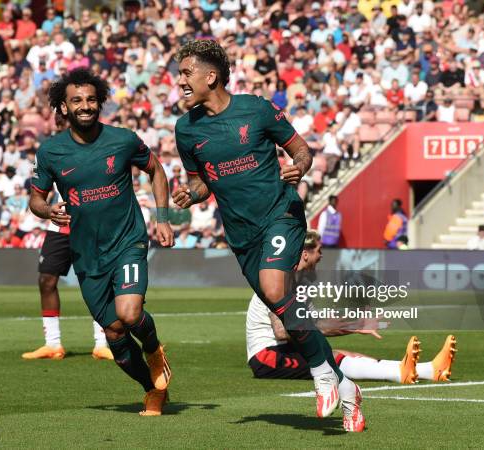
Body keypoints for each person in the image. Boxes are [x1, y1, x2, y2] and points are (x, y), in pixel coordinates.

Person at [172, 40, 364, 432]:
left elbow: (302, 151)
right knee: (286, 312)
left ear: (212, 76)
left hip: (281, 215)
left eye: (186, 73)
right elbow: (201, 184)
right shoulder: (186, 130)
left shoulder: (256, 109)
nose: (180, 82)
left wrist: (299, 168)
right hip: (241, 237)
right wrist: (187, 195)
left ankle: (322, 376)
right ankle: (346, 388)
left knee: (275, 288)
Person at [29, 68, 174, 416]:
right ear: (63, 108)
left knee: (129, 312)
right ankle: (151, 390)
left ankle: (154, 351)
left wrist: (164, 218)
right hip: (86, 253)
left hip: (128, 240)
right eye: (76, 100)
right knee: (113, 332)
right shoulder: (51, 152)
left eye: (91, 99)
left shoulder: (123, 140)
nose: (85, 106)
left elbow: (156, 170)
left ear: (100, 102)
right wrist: (48, 210)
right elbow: (35, 200)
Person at [246, 231, 457, 382]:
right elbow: (282, 331)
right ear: (305, 254)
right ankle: (399, 373)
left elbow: (315, 324)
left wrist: (354, 323)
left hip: (286, 349)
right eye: (319, 250)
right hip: (267, 357)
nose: (321, 256)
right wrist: (354, 325)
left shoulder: (301, 287)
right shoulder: (279, 283)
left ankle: (429, 370)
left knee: (347, 355)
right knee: (333, 359)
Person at [22, 189, 114, 361]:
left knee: (98, 282)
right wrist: (48, 209)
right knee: (46, 280)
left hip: (92, 226)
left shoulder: (94, 161)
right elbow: (39, 193)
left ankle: (101, 344)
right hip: (59, 224)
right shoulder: (53, 160)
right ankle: (53, 344)